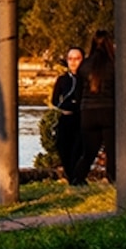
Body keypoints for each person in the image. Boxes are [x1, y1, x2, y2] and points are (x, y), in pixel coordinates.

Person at [79, 29, 118, 182]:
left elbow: (79, 90)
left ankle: (78, 177)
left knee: (89, 150)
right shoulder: (114, 65)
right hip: (108, 109)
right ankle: (113, 178)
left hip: (87, 111)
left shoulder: (85, 65)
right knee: (111, 150)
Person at [49, 46, 88, 186]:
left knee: (78, 150)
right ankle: (72, 178)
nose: (73, 62)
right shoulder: (62, 79)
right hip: (65, 118)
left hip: (81, 119)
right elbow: (55, 100)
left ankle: (78, 178)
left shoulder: (86, 79)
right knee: (63, 147)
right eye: (70, 59)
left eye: (77, 59)